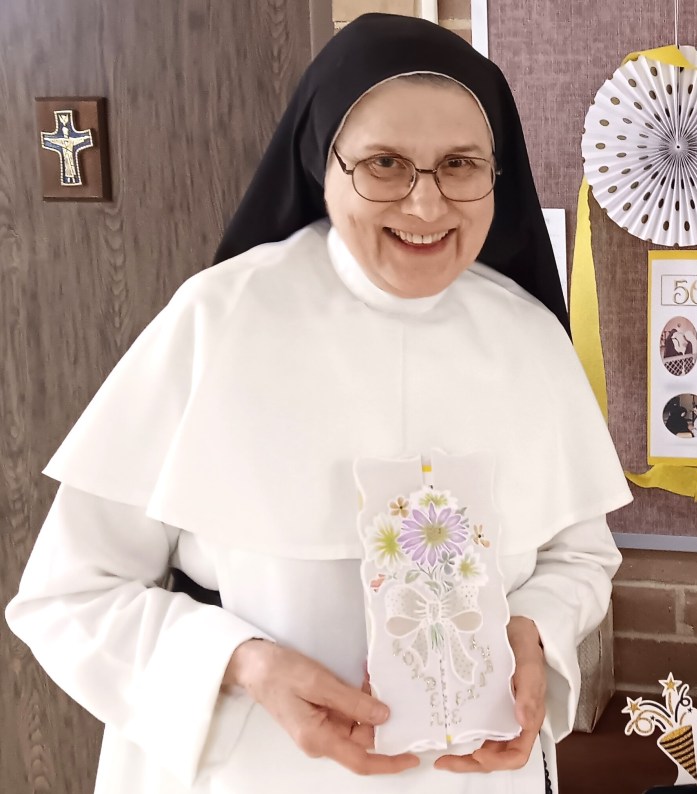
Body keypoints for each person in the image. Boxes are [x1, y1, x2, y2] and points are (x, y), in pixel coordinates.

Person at [5, 14, 632, 794]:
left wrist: (533, 633)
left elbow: (578, 556)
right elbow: (71, 596)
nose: (427, 205)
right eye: (385, 163)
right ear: (321, 161)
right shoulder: (217, 320)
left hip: (473, 775)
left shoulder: (531, 338)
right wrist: (243, 665)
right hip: (253, 767)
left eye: (460, 164)